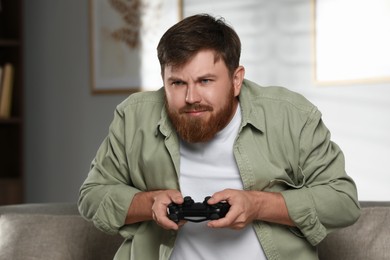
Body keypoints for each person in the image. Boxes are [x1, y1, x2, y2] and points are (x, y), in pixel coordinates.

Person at [78, 14, 360, 260]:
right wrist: (148, 203)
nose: (191, 98)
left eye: (205, 81)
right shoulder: (133, 118)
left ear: (236, 80)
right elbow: (92, 195)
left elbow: (342, 201)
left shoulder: (291, 116)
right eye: (177, 83)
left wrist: (258, 204)